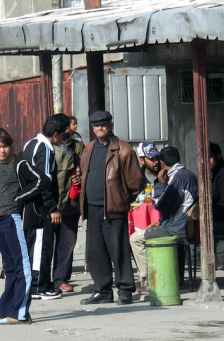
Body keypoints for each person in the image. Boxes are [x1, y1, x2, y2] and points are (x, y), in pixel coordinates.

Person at [79, 110, 143, 305]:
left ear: (111, 126)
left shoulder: (124, 150)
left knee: (119, 251)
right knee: (95, 253)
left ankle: (125, 290)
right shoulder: (88, 149)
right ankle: (102, 290)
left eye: (104, 124)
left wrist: (120, 200)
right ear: (92, 128)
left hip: (114, 209)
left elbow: (135, 183)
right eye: (96, 125)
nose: (100, 128)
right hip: (93, 207)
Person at [0, 128, 33, 325]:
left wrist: (17, 198)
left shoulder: (19, 164)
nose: (2, 151)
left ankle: (20, 313)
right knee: (9, 267)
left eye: (5, 146)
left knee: (22, 266)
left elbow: (40, 181)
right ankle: (4, 311)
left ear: (11, 146)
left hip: (13, 218)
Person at [129, 147, 198, 292]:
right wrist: (160, 222)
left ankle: (148, 278)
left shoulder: (177, 178)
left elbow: (160, 205)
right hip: (182, 224)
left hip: (176, 228)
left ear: (162, 163)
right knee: (149, 230)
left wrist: (160, 184)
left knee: (135, 238)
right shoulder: (188, 174)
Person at [17, 114, 69, 300]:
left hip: (31, 206)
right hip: (40, 208)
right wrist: (52, 208)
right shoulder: (44, 149)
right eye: (64, 135)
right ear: (56, 134)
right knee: (41, 246)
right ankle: (38, 286)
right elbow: (44, 181)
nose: (64, 139)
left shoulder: (29, 143)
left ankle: (40, 284)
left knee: (36, 245)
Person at [52, 127, 84, 292]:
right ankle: (42, 280)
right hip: (50, 205)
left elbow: (86, 169)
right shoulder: (48, 146)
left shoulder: (77, 147)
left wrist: (81, 178)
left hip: (70, 204)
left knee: (67, 243)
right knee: (45, 245)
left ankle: (61, 279)